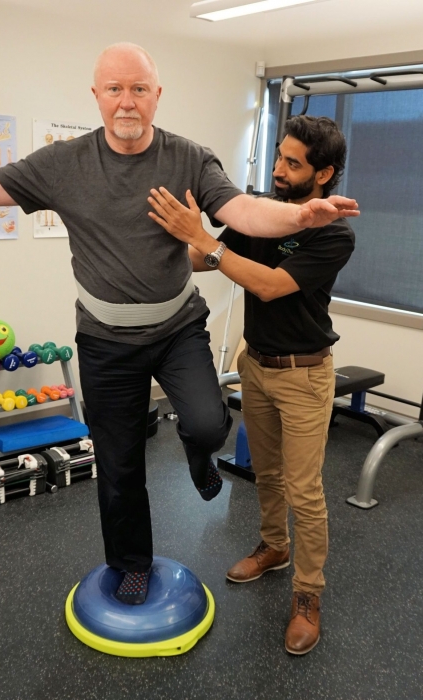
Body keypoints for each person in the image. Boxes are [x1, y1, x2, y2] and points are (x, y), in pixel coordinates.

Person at [0, 46, 359, 607]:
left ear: (157, 95)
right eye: (114, 89)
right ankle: (130, 562)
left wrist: (299, 215)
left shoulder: (191, 159)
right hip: (105, 343)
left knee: (205, 425)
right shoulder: (64, 164)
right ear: (96, 95)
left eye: (138, 89)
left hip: (178, 330)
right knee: (119, 461)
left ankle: (201, 461)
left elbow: (242, 212)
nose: (126, 101)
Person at [147, 114, 355, 652]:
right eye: (279, 157)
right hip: (256, 363)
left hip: (304, 374)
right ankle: (273, 547)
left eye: (294, 163)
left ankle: (309, 594)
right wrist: (177, 237)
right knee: (265, 472)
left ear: (325, 173)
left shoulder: (334, 232)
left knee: (304, 491)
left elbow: (266, 286)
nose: (279, 170)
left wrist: (205, 243)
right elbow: (205, 257)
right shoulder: (262, 209)